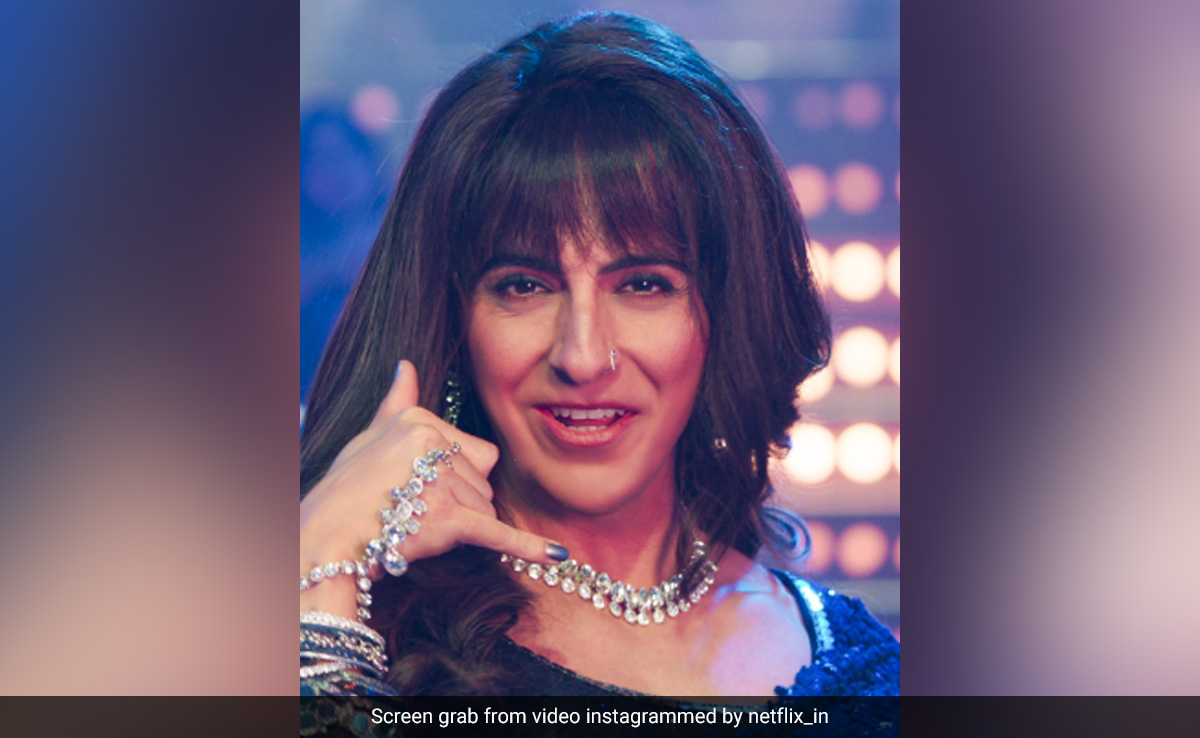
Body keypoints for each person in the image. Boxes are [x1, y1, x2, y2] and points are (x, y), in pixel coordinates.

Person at [299, 11, 898, 698]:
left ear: (728, 314)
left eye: (643, 285)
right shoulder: (364, 631)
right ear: (453, 319)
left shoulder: (858, 669)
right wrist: (321, 575)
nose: (582, 357)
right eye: (524, 285)